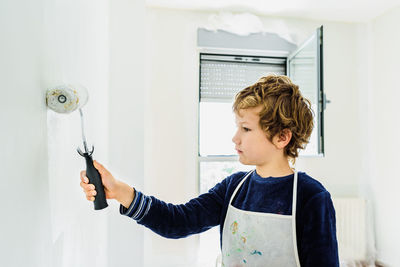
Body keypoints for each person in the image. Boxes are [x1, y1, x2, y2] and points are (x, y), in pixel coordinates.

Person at [80, 74, 339, 266]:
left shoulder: (311, 197)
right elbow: (177, 222)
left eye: (246, 129)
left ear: (282, 137)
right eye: (237, 127)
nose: (235, 138)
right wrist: (123, 192)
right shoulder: (233, 188)